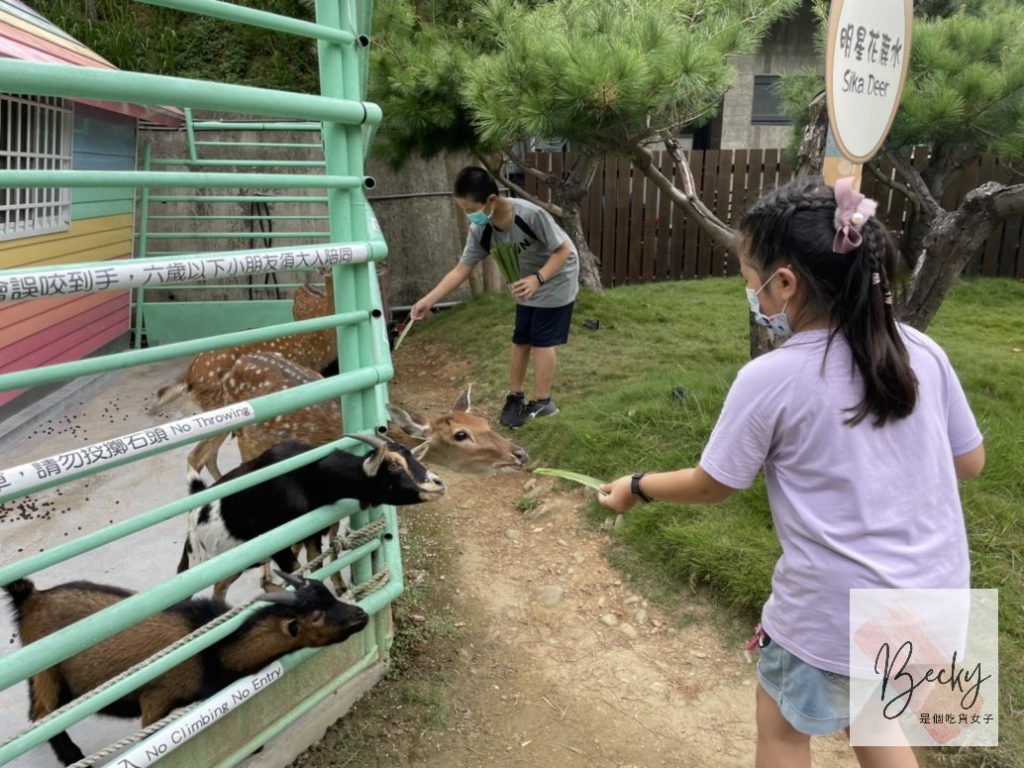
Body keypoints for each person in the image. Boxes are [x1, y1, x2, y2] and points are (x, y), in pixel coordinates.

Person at [598, 177, 985, 768]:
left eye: (750, 280)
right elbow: (971, 462)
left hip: (832, 611)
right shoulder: (922, 351)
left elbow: (715, 482)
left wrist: (637, 487)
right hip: (938, 596)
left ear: (785, 284)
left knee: (781, 732)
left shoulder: (772, 377)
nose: (751, 293)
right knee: (879, 722)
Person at [410, 166, 579, 429]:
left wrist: (539, 278)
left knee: (541, 339)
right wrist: (428, 300)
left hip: (556, 275)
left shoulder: (530, 215)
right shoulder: (482, 229)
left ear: (491, 200)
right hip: (526, 282)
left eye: (469, 210)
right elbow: (461, 269)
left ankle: (544, 402)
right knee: (521, 337)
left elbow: (563, 250)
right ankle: (515, 397)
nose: (469, 217)